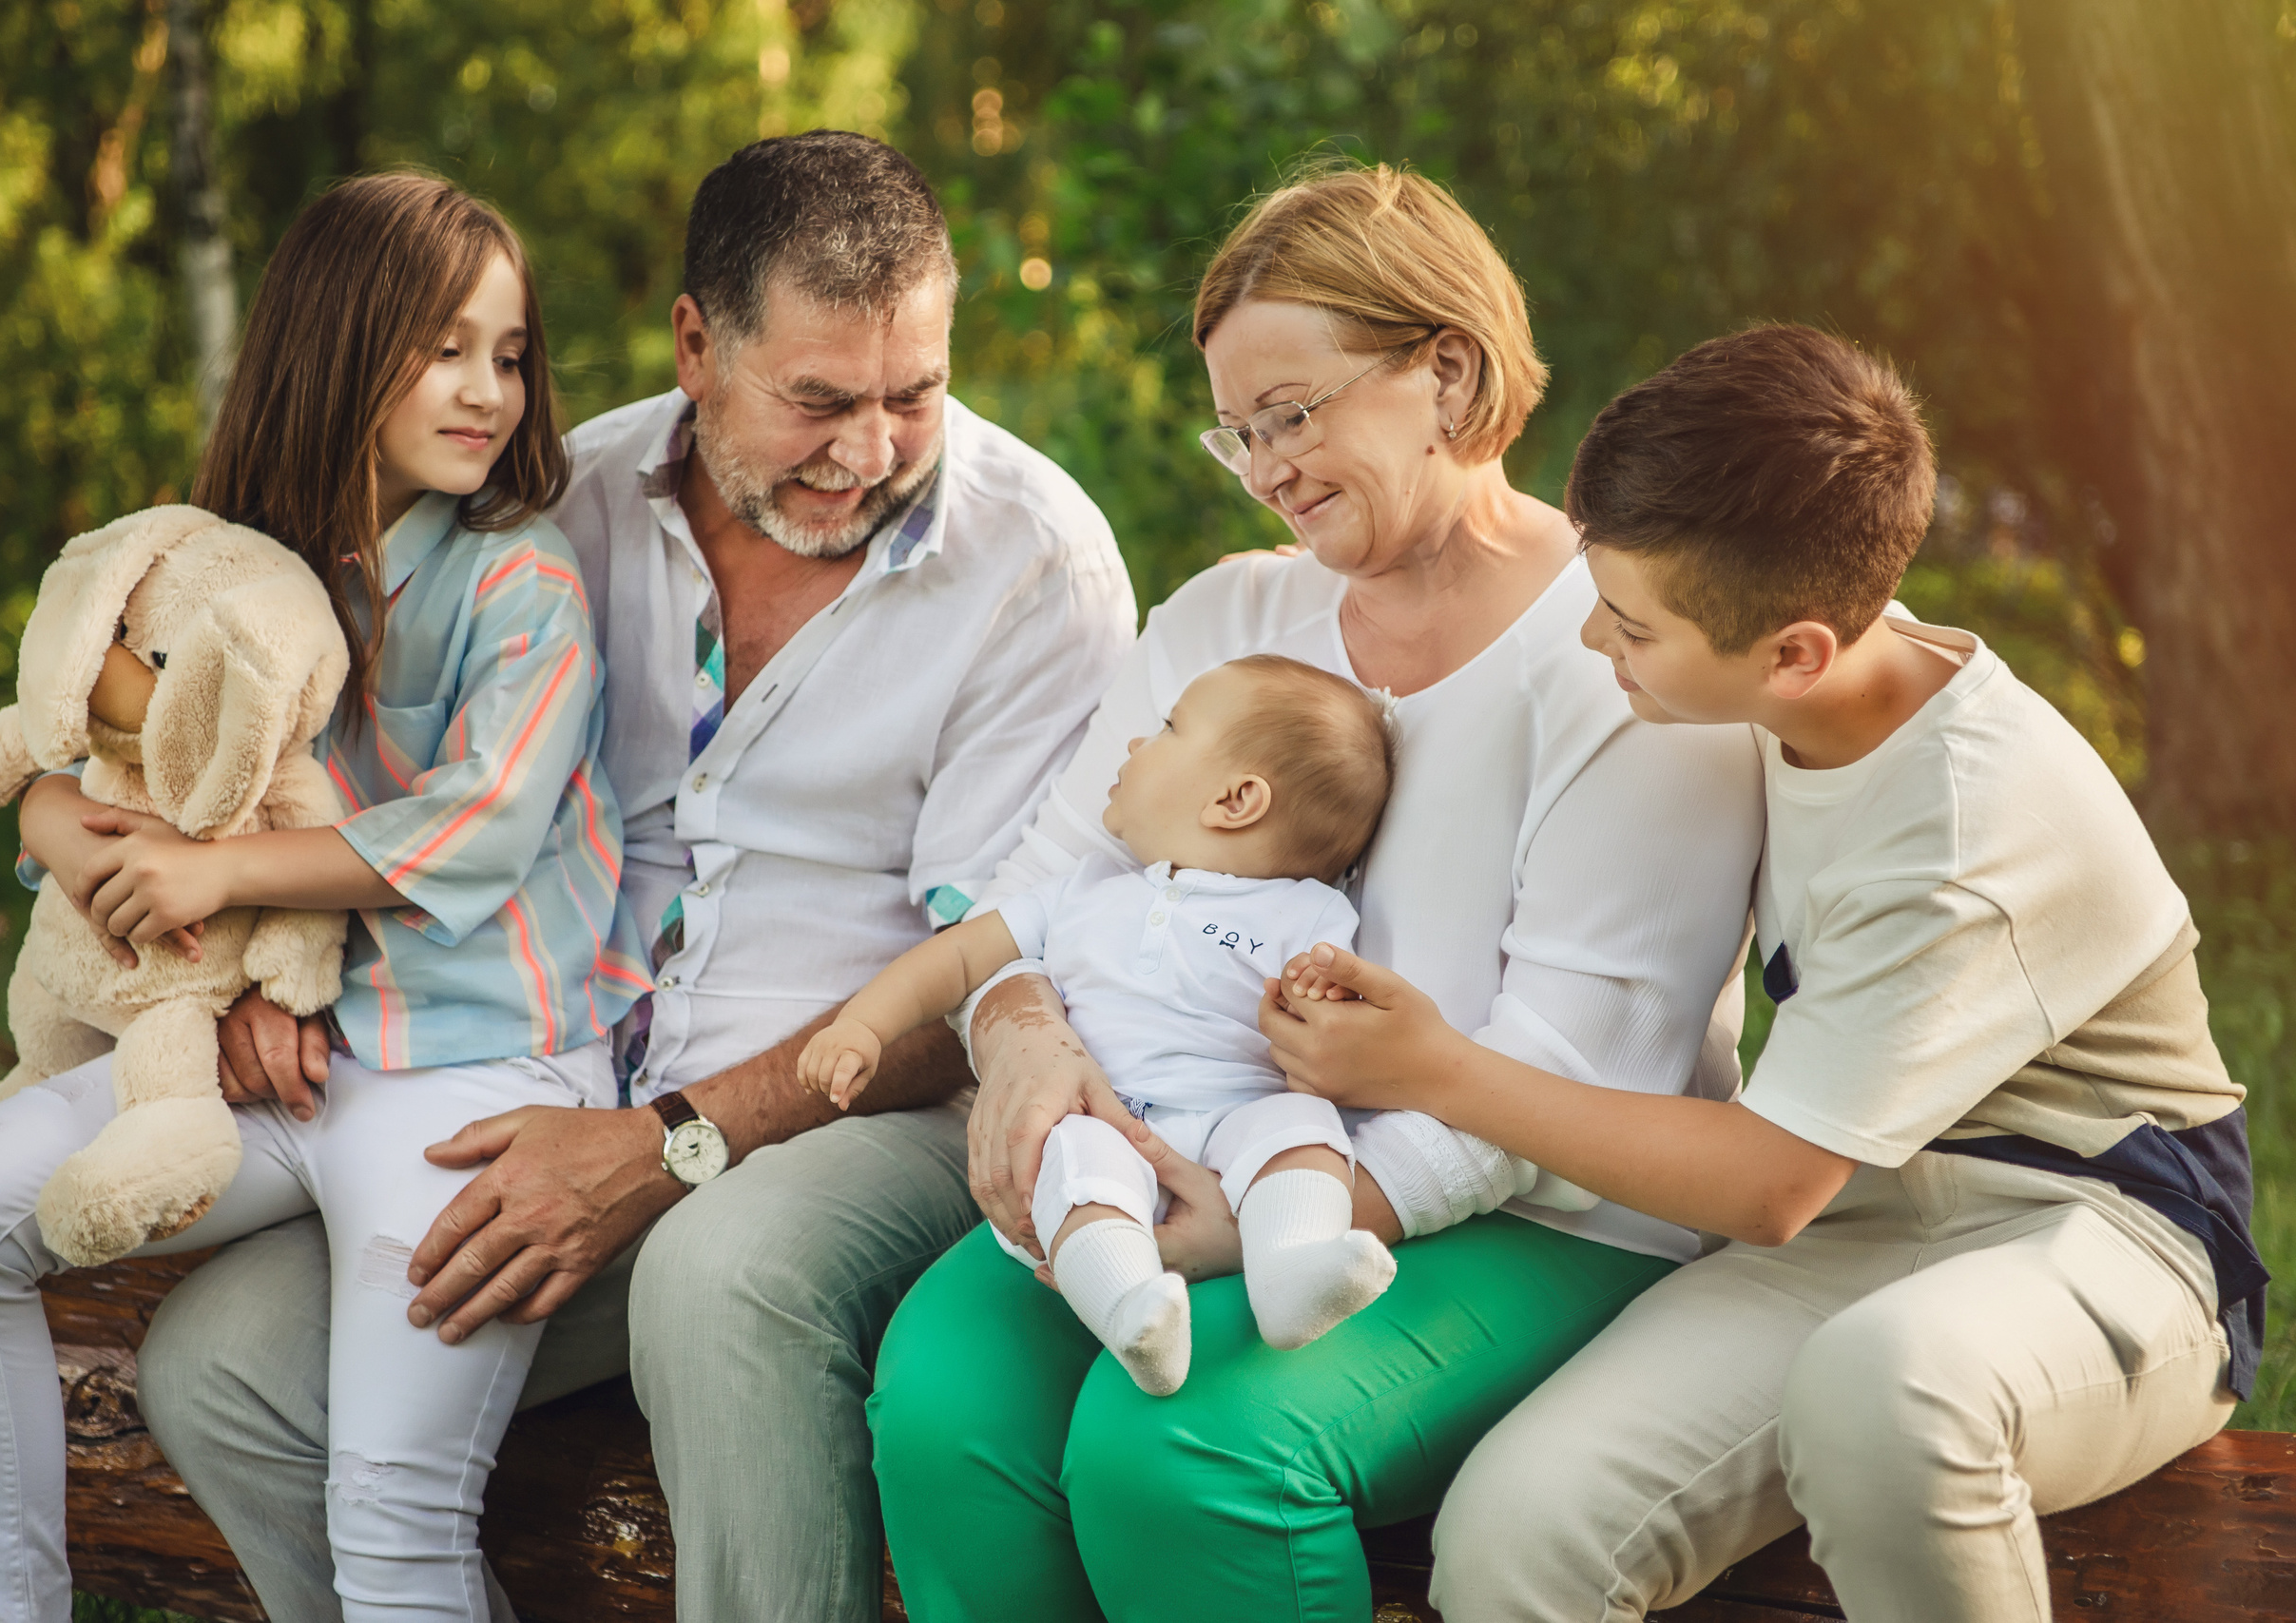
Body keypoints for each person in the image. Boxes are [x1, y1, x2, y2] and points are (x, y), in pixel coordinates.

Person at [130, 132, 1136, 1623]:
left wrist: (670, 1142)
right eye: (818, 400)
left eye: (913, 393)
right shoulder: (558, 500)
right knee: (222, 1368)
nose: (870, 451)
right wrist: (267, 967)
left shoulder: (1038, 566)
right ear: (695, 346)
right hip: (531, 1071)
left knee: (719, 1272)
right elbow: (356, 779)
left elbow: (1001, 963)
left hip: (875, 1106)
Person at [869, 161, 1766, 1623]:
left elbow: (1575, 1073)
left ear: (1446, 372)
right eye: (1238, 432)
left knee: (1183, 1449)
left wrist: (1265, 1211)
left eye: (1292, 413)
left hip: (1544, 1214)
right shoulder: (1230, 615)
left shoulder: (1625, 650)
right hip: (1182, 1140)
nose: (1267, 466)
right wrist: (1023, 1041)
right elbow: (1039, 896)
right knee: (942, 1403)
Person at [1267, 324, 2264, 1623]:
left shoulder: (1959, 829)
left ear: (1794, 652)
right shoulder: (1777, 676)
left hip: (2099, 1231)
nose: (1592, 641)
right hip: (1864, 1217)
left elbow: (1767, 1186)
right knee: (1519, 1531)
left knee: (1885, 1390)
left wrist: (1436, 1070)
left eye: (1631, 626)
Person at [0, 173, 645, 1621]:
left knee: (390, 1516)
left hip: (474, 1078)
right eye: (444, 349)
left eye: (509, 354)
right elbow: (107, 739)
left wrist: (220, 870)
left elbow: (482, 827)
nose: (486, 390)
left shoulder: (520, 582)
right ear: (338, 343)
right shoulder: (224, 561)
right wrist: (51, 815)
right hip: (282, 1060)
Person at [806, 655, 1421, 1394]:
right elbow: (961, 955)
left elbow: (1342, 1033)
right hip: (1104, 1116)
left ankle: (1292, 1270)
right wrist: (864, 1025)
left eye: (1167, 728)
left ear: (1235, 800)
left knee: (1303, 1125)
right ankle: (1132, 1310)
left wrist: (1319, 996)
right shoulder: (1084, 889)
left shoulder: (1310, 913)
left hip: (1235, 1123)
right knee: (1068, 1153)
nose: (1135, 744)